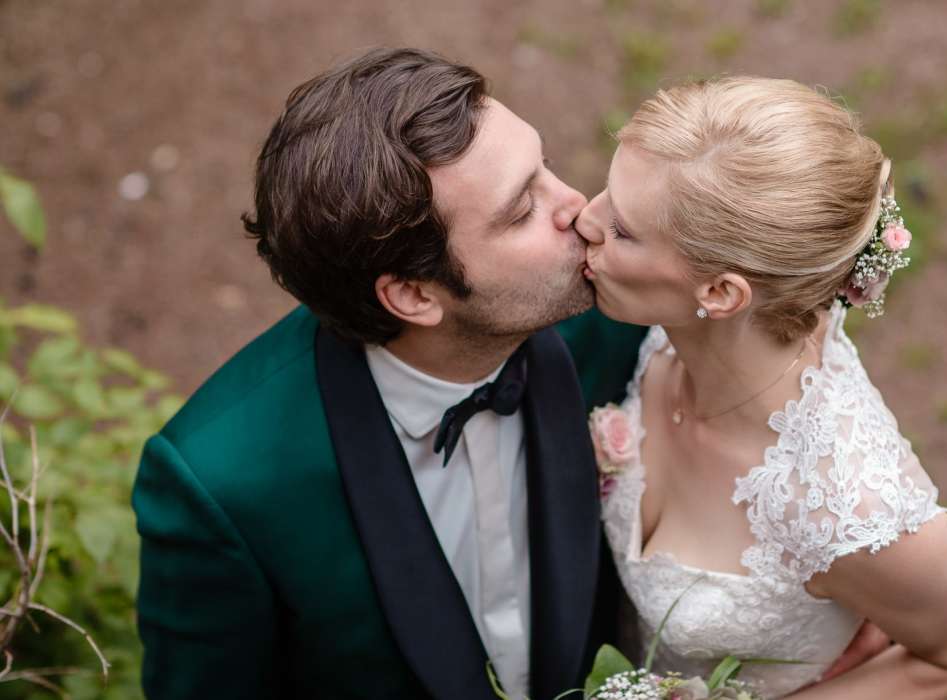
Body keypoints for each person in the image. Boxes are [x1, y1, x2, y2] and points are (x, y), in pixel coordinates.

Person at [132, 48, 887, 700]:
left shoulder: (624, 314)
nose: (581, 210)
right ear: (414, 295)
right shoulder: (224, 489)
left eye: (544, 167)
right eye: (522, 210)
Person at [575, 76, 947, 698]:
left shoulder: (849, 506)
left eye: (621, 229)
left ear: (720, 293)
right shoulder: (663, 337)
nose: (583, 218)